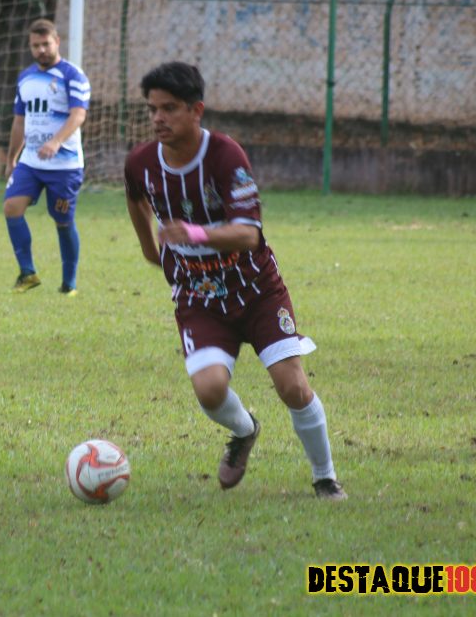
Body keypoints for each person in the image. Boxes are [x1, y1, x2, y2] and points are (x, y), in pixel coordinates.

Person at [124, 62, 346, 500]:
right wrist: (152, 250)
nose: (158, 118)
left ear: (196, 110)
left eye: (169, 108)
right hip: (198, 297)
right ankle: (244, 431)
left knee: (292, 386)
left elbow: (248, 235)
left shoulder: (226, 156)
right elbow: (136, 198)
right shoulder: (141, 163)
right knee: (209, 390)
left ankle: (325, 478)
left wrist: (194, 234)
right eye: (152, 109)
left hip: (257, 290)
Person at [4, 18, 90, 296]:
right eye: (35, 45)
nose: (41, 50)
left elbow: (78, 115)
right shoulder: (25, 78)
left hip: (65, 165)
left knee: (63, 221)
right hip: (31, 162)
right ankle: (27, 273)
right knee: (11, 207)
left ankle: (69, 284)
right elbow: (20, 121)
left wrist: (55, 141)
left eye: (45, 44)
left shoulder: (73, 75)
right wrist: (12, 157)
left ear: (57, 42)